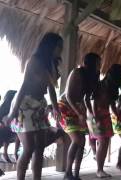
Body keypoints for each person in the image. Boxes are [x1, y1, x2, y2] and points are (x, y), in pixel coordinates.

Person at [7, 33, 63, 180]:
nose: (61, 49)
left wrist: (56, 107)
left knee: (40, 147)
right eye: (59, 46)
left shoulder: (52, 63)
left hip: (39, 105)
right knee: (29, 148)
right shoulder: (34, 61)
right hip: (23, 104)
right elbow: (24, 86)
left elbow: (51, 88)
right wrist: (13, 113)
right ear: (50, 46)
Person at [59, 53, 101, 180]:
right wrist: (79, 114)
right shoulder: (76, 72)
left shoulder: (94, 77)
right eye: (98, 62)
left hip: (79, 108)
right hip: (66, 106)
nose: (100, 65)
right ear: (91, 63)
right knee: (77, 140)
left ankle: (76, 174)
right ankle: (67, 173)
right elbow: (68, 96)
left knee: (82, 143)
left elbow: (87, 98)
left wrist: (90, 114)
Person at [87, 64, 121, 178]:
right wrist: (95, 117)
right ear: (108, 74)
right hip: (94, 114)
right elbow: (93, 101)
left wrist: (117, 115)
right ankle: (99, 170)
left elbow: (112, 105)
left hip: (105, 114)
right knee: (102, 142)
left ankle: (100, 168)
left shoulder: (113, 88)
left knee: (105, 142)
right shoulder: (100, 85)